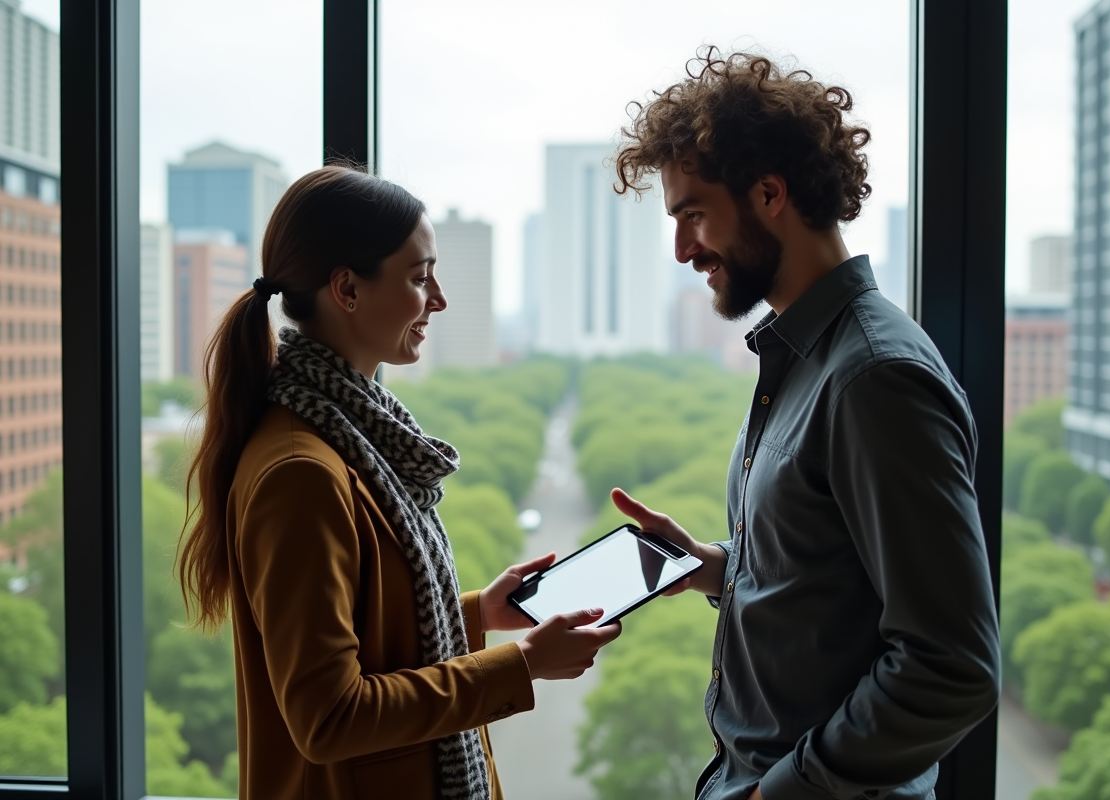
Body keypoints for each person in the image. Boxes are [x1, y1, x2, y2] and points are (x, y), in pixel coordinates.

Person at [609, 50, 1001, 800]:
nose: (683, 250)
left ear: (768, 193)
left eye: (693, 213)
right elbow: (834, 581)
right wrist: (715, 565)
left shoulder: (875, 378)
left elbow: (953, 666)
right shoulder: (800, 359)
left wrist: (787, 790)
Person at [176, 164, 620, 800]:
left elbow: (360, 636)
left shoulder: (346, 435)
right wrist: (520, 666)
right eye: (419, 278)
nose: (437, 300)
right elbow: (329, 717)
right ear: (348, 289)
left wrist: (475, 613)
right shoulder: (302, 471)